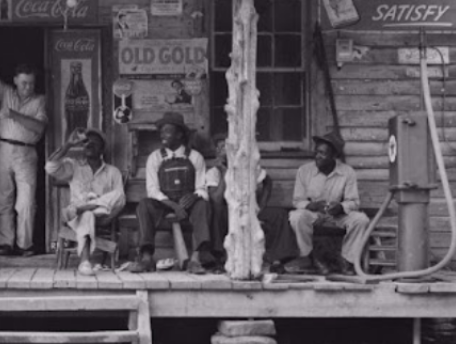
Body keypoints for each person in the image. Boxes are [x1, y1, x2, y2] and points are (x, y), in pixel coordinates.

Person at [0, 29, 48, 256]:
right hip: (3, 148)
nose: (27, 87)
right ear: (15, 81)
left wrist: (13, 115)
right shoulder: (7, 92)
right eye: (23, 83)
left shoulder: (40, 100)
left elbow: (39, 127)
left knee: (26, 200)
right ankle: (4, 243)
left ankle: (24, 244)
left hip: (26, 152)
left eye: (30, 83)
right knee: (1, 198)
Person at [130, 112, 212, 274]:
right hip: (164, 203)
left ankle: (195, 259)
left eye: (167, 131)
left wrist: (194, 196)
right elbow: (152, 190)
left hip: (188, 203)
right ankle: (146, 258)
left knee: (203, 205)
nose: (162, 135)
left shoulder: (195, 157)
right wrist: (173, 206)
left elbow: (202, 187)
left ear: (180, 134)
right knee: (144, 205)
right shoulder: (155, 157)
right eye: (161, 132)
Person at [206, 134, 297, 270]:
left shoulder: (248, 168)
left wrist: (261, 206)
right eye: (220, 148)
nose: (223, 151)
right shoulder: (214, 172)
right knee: (216, 213)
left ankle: (277, 260)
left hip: (249, 209)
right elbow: (217, 199)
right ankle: (220, 259)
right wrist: (226, 172)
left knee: (279, 214)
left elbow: (267, 181)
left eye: (227, 147)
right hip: (227, 212)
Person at [284, 132, 370, 275]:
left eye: (322, 153)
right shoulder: (304, 171)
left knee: (361, 220)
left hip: (337, 216)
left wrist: (341, 207)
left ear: (334, 156)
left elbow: (354, 202)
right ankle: (308, 258)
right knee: (296, 217)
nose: (317, 156)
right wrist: (312, 206)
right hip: (314, 214)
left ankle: (347, 261)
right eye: (316, 152)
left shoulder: (347, 172)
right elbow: (297, 201)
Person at [46, 128, 125, 276]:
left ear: (102, 149)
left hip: (102, 216)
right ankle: (85, 262)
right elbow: (50, 167)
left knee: (118, 195)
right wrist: (68, 144)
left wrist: (94, 207)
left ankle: (89, 207)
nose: (89, 145)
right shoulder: (73, 166)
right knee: (87, 215)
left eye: (95, 143)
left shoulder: (113, 172)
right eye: (86, 142)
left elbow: (120, 199)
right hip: (75, 215)